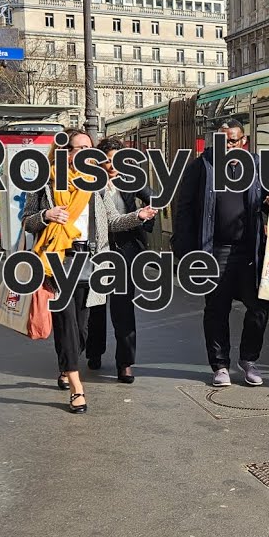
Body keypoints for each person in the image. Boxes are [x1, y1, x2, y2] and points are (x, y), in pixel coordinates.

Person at [22, 128, 157, 413]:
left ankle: (66, 363)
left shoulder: (96, 184)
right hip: (58, 261)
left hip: (91, 261)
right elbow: (27, 221)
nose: (85, 154)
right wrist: (46, 215)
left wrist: (139, 215)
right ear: (65, 152)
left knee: (82, 329)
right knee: (66, 323)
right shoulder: (46, 182)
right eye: (79, 149)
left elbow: (113, 221)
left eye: (88, 149)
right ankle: (76, 387)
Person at [172, 121, 269, 388]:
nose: (229, 146)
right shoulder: (201, 167)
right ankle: (220, 365)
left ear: (243, 141)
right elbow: (184, 210)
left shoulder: (257, 166)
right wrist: (186, 253)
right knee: (216, 310)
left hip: (251, 250)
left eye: (233, 141)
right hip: (215, 251)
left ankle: (249, 360)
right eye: (224, 141)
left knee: (259, 308)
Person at [85, 136, 155, 383]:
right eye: (108, 161)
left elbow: (154, 198)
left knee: (123, 308)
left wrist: (144, 219)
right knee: (96, 307)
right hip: (97, 251)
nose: (113, 166)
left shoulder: (131, 180)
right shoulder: (89, 183)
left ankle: (125, 363)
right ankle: (94, 352)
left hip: (126, 251)